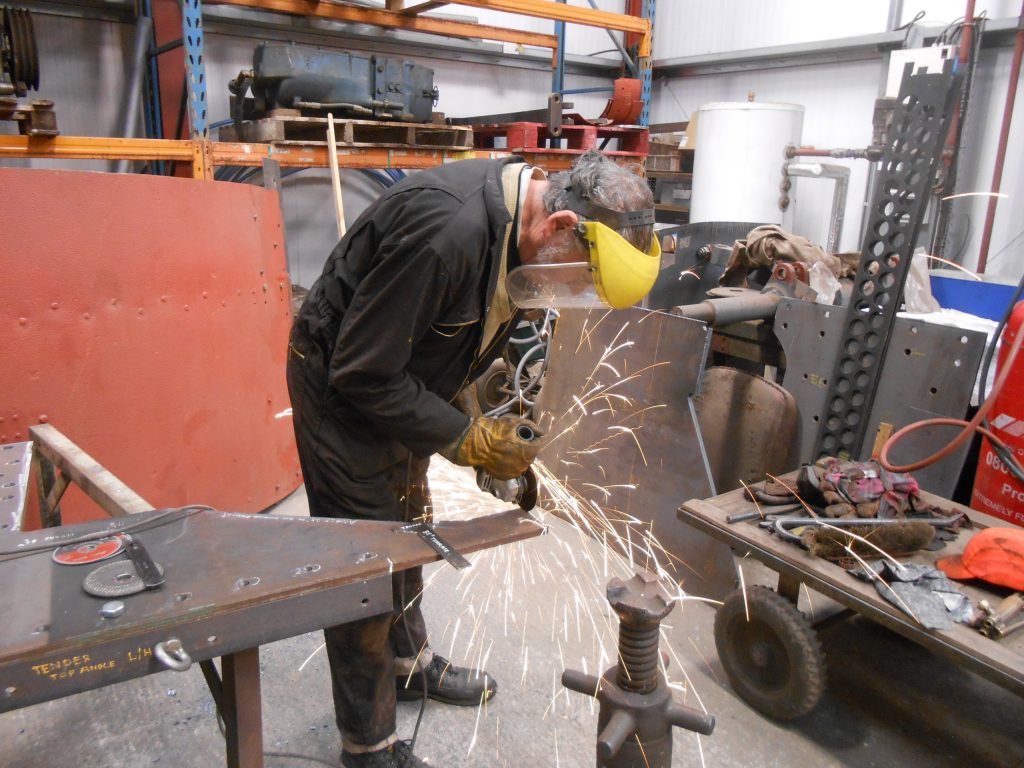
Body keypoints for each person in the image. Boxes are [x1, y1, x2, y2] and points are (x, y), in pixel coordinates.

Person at [286, 149, 658, 768]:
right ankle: (367, 746)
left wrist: (466, 413)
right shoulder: (447, 234)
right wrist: (466, 438)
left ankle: (408, 664)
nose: (571, 290)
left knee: (410, 520)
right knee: (366, 565)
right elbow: (363, 372)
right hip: (341, 393)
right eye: (579, 277)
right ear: (560, 227)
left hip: (399, 380)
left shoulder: (518, 231)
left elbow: (445, 333)